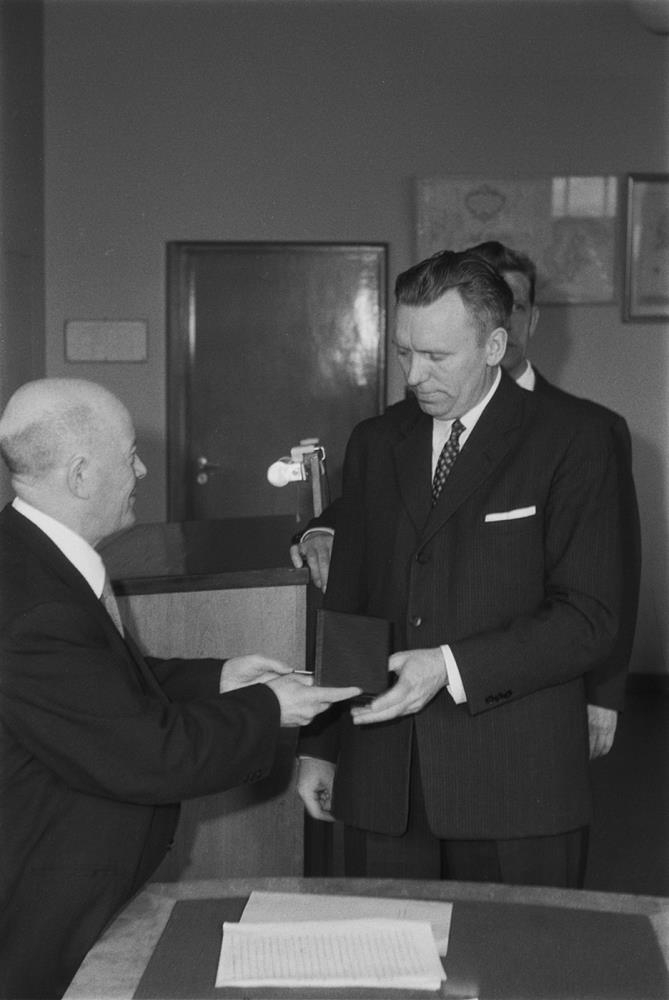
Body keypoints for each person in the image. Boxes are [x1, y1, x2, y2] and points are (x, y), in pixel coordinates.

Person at [0, 377, 360, 1000]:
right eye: (130, 456)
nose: (141, 470)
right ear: (81, 475)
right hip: (45, 907)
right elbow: (146, 755)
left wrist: (220, 679)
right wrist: (271, 707)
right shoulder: (37, 608)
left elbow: (99, 688)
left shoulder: (27, 555)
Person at [296, 249, 623, 888]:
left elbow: (588, 619)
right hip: (384, 785)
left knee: (517, 954)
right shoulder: (376, 443)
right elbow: (349, 609)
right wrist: (322, 747)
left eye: (436, 356)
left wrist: (448, 667)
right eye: (403, 352)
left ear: (495, 346)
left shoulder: (573, 440)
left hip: (516, 788)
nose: (414, 375)